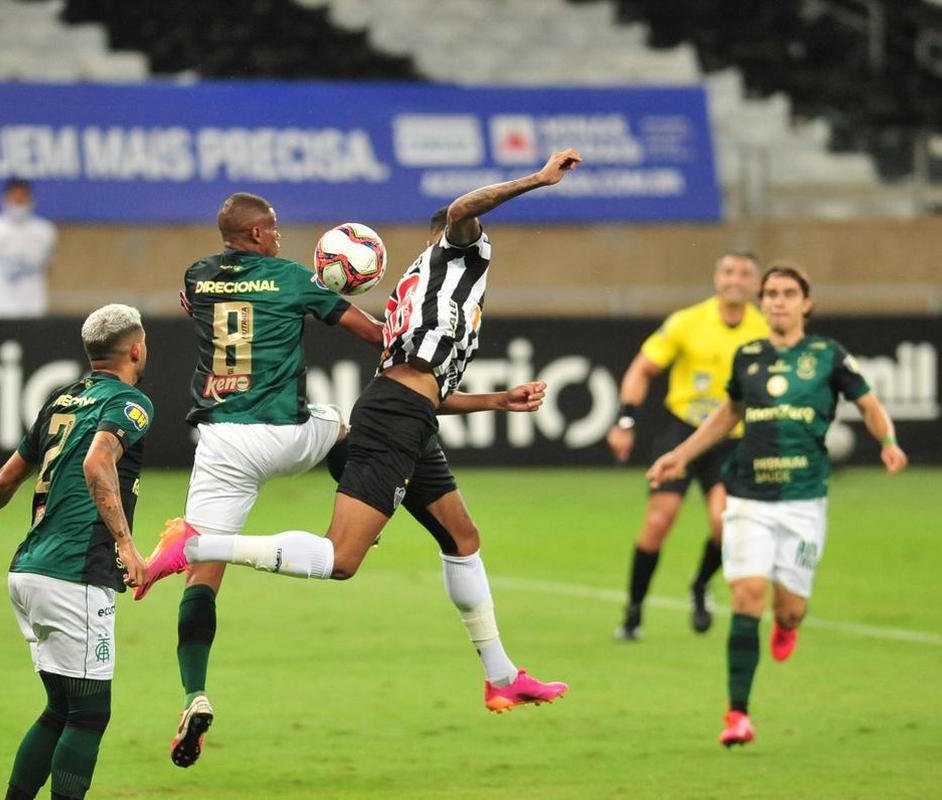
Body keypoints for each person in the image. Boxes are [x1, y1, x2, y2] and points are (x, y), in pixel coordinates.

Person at [135, 148, 584, 746]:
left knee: (462, 537)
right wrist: (539, 179)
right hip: (378, 418)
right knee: (341, 558)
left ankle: (501, 676)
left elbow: (417, 380)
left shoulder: (410, 292)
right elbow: (461, 212)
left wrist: (496, 401)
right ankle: (201, 541)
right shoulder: (451, 253)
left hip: (371, 421)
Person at [140, 191, 384, 768]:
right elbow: (372, 335)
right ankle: (361, 526)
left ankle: (194, 691)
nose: (278, 235)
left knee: (202, 579)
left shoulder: (198, 275)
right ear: (252, 236)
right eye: (271, 228)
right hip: (287, 435)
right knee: (345, 427)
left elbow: (194, 302)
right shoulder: (292, 276)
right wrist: (385, 304)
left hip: (222, 442)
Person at [646, 264, 908, 747]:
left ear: (806, 303)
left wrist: (887, 442)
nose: (777, 301)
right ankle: (736, 715)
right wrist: (679, 456)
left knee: (788, 611)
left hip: (804, 503)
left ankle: (788, 628)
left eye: (788, 294)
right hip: (748, 496)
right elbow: (728, 414)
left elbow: (869, 405)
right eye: (770, 294)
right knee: (747, 595)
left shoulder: (828, 356)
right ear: (761, 302)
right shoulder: (748, 356)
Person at [0, 303, 154, 799]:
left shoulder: (61, 399)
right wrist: (127, 546)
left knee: (61, 709)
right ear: (136, 349)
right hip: (75, 575)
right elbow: (98, 464)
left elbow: (9, 473)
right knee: (91, 714)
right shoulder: (130, 403)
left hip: (29, 569)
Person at [607, 252, 768, 640]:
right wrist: (625, 421)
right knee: (659, 521)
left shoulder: (764, 331)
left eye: (744, 273)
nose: (735, 279)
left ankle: (700, 584)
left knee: (723, 522)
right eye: (728, 271)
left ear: (756, 284)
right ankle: (634, 611)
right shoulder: (687, 322)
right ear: (716, 276)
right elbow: (642, 369)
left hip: (731, 440)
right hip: (682, 433)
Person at [0, 178, 58, 318]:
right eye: (15, 196)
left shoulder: (45, 231)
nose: (19, 200)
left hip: (32, 309)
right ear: (6, 198)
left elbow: (47, 267)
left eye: (23, 196)